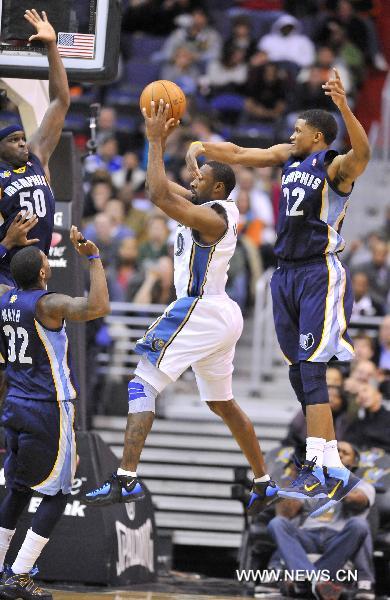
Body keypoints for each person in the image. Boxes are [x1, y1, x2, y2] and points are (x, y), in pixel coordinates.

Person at [186, 68, 371, 515]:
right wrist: (205, 147)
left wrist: (345, 106)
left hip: (318, 273)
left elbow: (364, 152)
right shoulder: (289, 157)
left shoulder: (335, 167)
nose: (292, 134)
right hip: (284, 273)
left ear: (318, 137)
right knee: (297, 373)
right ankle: (331, 467)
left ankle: (315, 466)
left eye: (299, 130)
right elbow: (241, 153)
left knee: (312, 370)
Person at [85, 99, 278, 514]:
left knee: (141, 384)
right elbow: (168, 189)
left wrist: (153, 141)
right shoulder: (208, 207)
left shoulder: (213, 219)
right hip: (220, 313)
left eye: (201, 177)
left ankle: (126, 479)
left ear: (219, 188)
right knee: (220, 402)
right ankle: (264, 482)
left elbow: (157, 192)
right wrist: (171, 143)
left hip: (200, 308)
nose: (193, 179)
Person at [0, 227, 109, 600]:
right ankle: (18, 574)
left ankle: (3, 568)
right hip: (48, 407)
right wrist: (93, 259)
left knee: (16, 489)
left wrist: (7, 245)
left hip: (14, 404)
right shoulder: (47, 305)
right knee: (59, 492)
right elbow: (98, 307)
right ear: (44, 273)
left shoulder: (4, 300)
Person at [0, 9, 70, 285]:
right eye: (13, 140)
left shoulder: (37, 157)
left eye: (22, 138)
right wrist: (7, 241)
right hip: (5, 275)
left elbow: (60, 102)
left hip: (38, 273)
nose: (22, 143)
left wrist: (52, 46)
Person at [267, 441, 376, 600]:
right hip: (308, 536)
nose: (337, 454)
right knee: (276, 524)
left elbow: (359, 500)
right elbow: (285, 513)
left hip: (338, 539)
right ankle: (313, 579)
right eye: (334, 451)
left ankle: (303, 581)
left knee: (359, 525)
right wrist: (294, 472)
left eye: (344, 453)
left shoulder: (363, 485)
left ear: (354, 462)